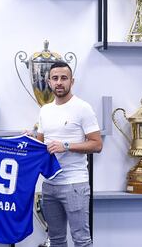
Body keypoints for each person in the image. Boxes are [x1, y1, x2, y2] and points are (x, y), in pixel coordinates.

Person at [36, 61, 103, 247]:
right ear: (49, 82)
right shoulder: (45, 110)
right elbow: (40, 145)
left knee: (81, 240)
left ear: (72, 81)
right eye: (55, 78)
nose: (59, 82)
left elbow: (97, 144)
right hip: (49, 185)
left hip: (74, 185)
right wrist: (29, 138)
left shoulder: (83, 108)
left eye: (63, 78)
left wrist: (66, 145)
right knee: (56, 240)